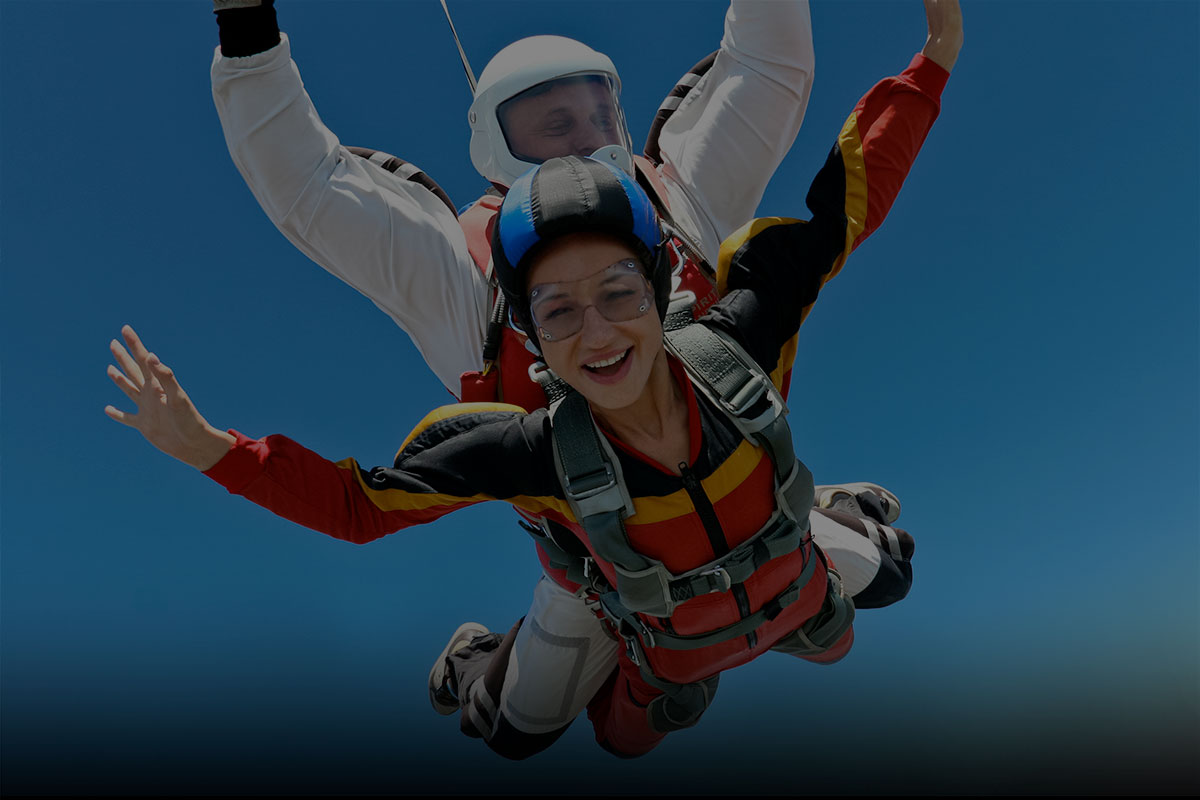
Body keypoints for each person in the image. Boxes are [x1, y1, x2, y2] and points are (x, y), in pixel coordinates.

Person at [107, 20, 954, 754]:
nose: (595, 330)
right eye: (553, 124)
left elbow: (807, 131)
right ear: (526, 325)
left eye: (598, 114)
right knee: (532, 729)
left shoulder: (685, 214)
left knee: (884, 578)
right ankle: (480, 658)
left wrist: (933, 65)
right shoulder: (470, 302)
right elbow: (306, 185)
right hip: (598, 566)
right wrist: (209, 450)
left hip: (743, 497)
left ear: (662, 287)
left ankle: (817, 511)